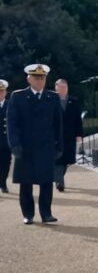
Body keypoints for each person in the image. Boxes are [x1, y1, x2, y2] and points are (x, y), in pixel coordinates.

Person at [6, 64, 63, 225]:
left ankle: (46, 213)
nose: (40, 81)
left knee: (46, 182)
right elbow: (12, 123)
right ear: (28, 79)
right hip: (25, 147)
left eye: (42, 78)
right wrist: (14, 144)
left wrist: (60, 146)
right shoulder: (18, 97)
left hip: (45, 146)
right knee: (26, 182)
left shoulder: (52, 97)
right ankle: (28, 214)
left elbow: (58, 124)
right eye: (36, 78)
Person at [53, 79, 83, 192]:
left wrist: (79, 134)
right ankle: (59, 182)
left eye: (65, 87)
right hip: (55, 136)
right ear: (56, 88)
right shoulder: (51, 101)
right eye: (60, 87)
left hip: (69, 136)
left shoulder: (73, 101)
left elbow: (78, 120)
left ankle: (58, 178)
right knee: (57, 158)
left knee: (66, 160)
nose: (63, 90)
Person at [0, 79, 11, 194]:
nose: (0, 93)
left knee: (6, 163)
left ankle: (3, 182)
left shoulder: (10, 104)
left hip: (6, 140)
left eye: (2, 91)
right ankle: (1, 183)